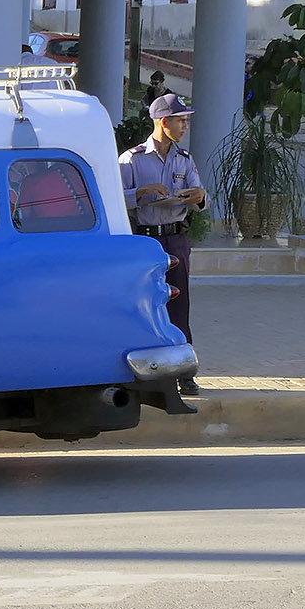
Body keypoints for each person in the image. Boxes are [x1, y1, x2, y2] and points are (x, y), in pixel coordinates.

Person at [119, 93, 207, 394]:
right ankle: (144, 372)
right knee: (144, 304)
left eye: (186, 121)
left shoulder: (185, 159)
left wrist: (198, 196)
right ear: (162, 121)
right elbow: (114, 199)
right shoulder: (132, 158)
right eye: (180, 120)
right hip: (144, 240)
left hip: (175, 238)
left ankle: (183, 372)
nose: (185, 126)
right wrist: (140, 193)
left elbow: (200, 193)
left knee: (179, 305)